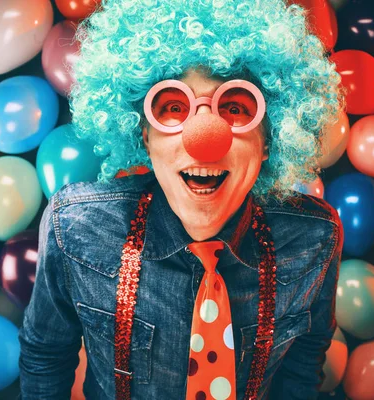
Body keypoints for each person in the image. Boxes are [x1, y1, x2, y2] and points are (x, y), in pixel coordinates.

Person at [19, 0, 343, 399]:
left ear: (268, 140)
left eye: (236, 106)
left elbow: (305, 361)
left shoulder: (314, 239)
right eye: (173, 107)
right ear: (144, 136)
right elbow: (45, 357)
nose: (204, 136)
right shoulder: (75, 229)